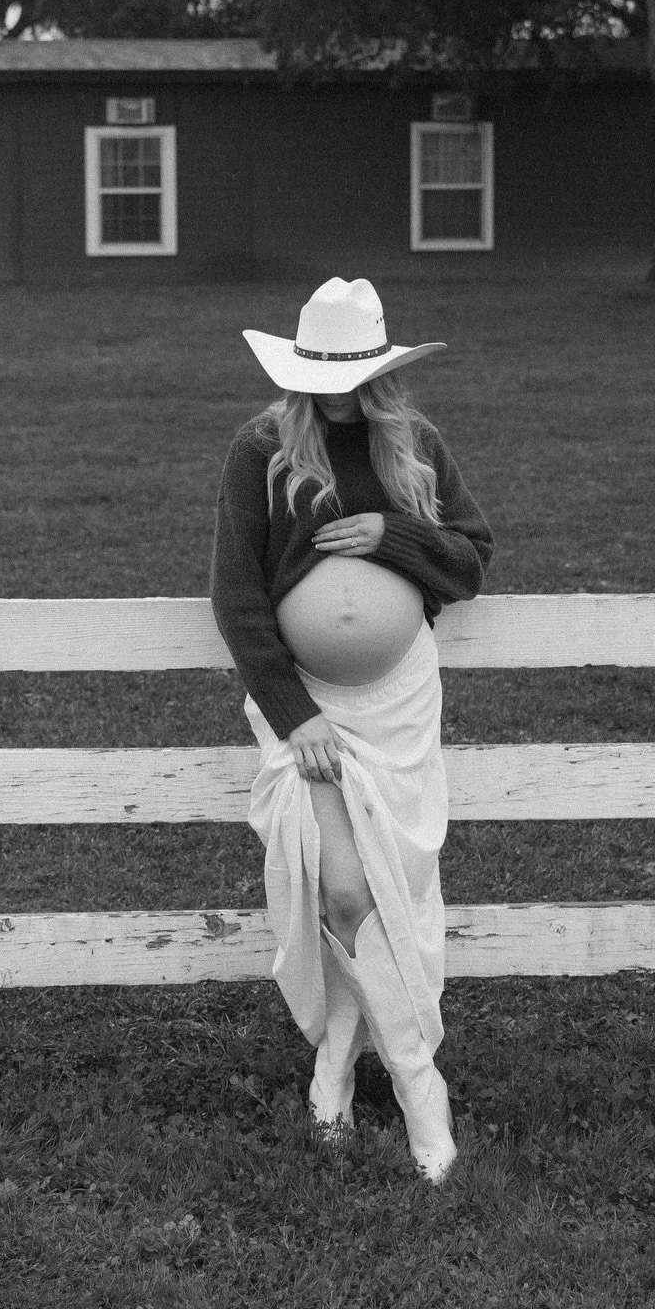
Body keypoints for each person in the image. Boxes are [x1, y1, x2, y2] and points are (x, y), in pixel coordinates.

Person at [210, 276, 494, 1182]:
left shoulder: (415, 444)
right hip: (307, 709)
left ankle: (335, 1065)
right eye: (321, 371)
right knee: (342, 889)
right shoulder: (259, 450)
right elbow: (238, 600)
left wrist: (391, 536)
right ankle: (419, 1084)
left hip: (400, 701)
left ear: (378, 370)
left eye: (352, 371)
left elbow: (472, 559)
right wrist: (295, 721)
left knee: (392, 890)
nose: (335, 388)